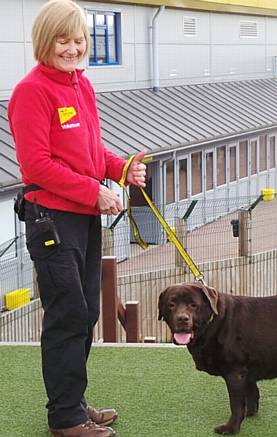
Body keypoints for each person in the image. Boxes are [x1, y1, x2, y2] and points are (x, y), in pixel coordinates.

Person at [8, 1, 146, 436]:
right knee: (67, 314)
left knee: (84, 313)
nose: (72, 48)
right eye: (62, 40)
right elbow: (37, 166)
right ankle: (64, 418)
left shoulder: (80, 86)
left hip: (83, 217)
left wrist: (120, 169)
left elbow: (89, 155)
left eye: (79, 39)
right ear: (44, 43)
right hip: (51, 219)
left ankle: (73, 402)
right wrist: (95, 191)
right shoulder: (32, 91)